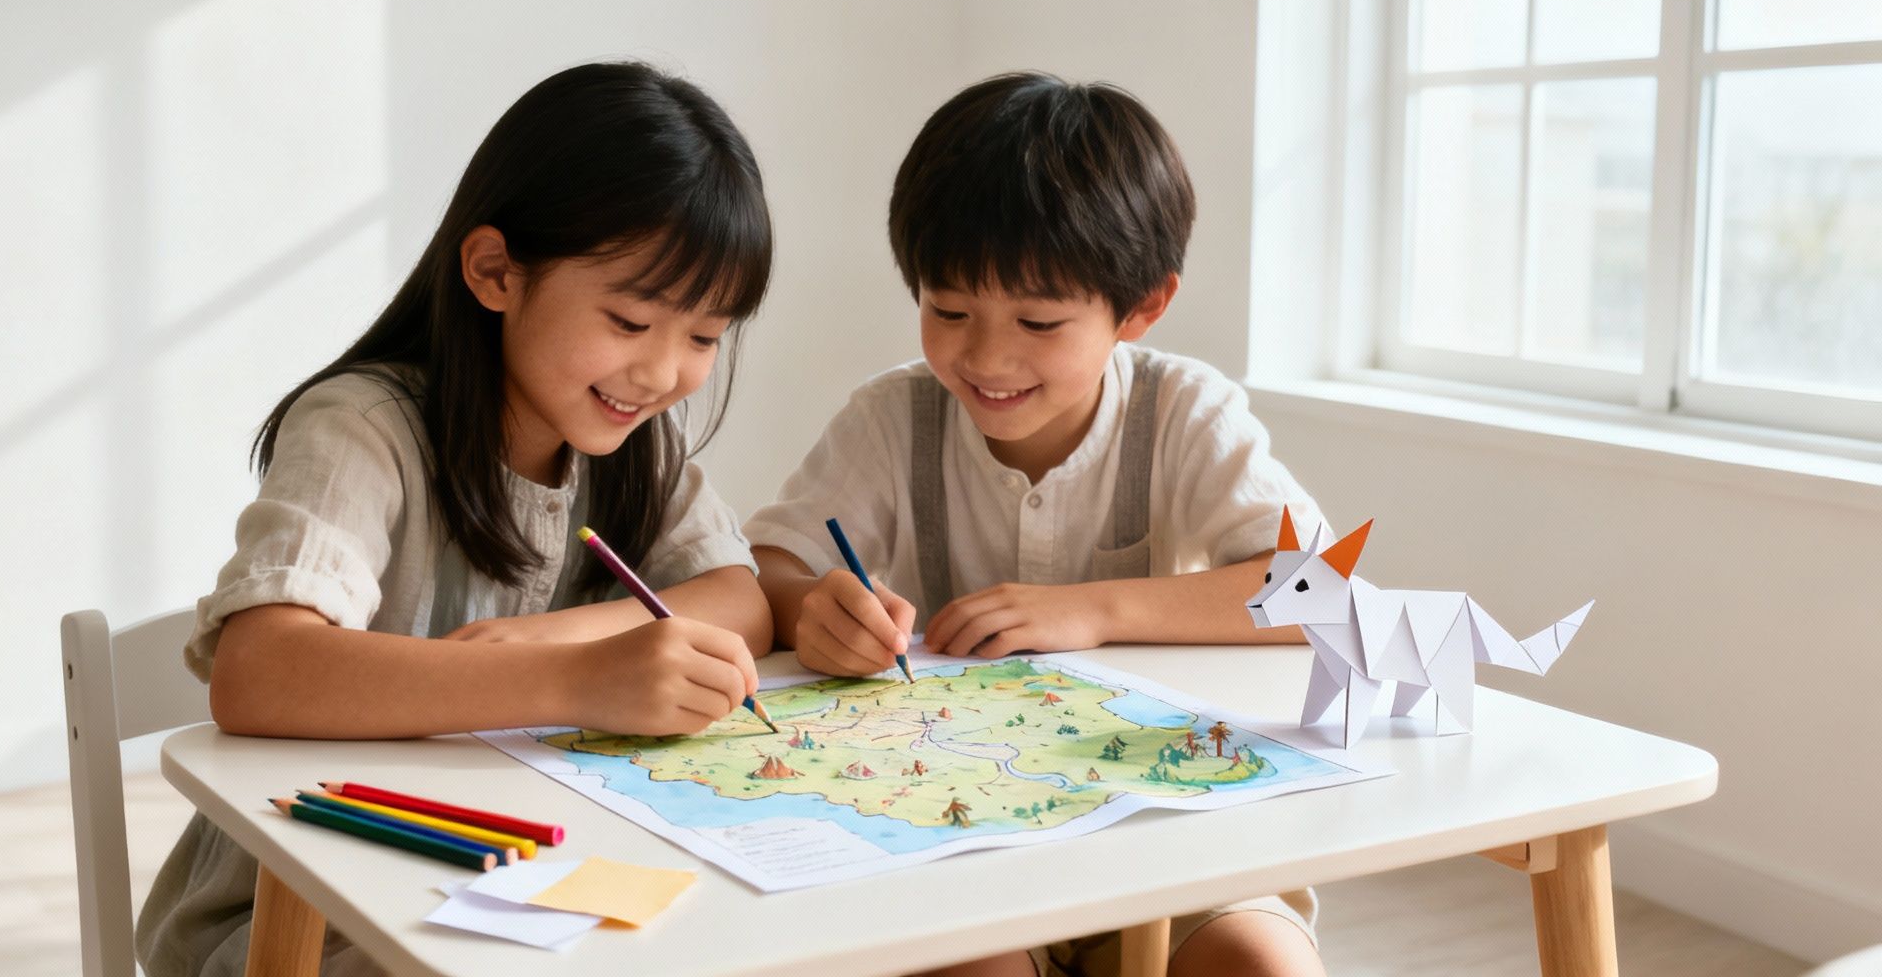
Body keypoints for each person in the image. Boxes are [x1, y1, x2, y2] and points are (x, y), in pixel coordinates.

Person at [138, 61, 776, 976]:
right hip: (305, 912)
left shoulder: (633, 440)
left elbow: (740, 598)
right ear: (494, 272)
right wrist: (577, 680)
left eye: (706, 337)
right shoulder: (364, 429)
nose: (664, 373)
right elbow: (259, 671)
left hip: (526, 885)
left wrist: (563, 641)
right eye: (632, 321)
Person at [744, 73, 1326, 977]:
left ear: (1142, 307)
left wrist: (1092, 611)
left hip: (1162, 830)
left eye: (1040, 320)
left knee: (1261, 965)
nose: (984, 356)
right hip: (957, 836)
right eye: (948, 310)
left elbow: (1319, 594)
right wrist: (807, 605)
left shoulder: (1186, 413)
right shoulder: (894, 416)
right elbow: (773, 564)